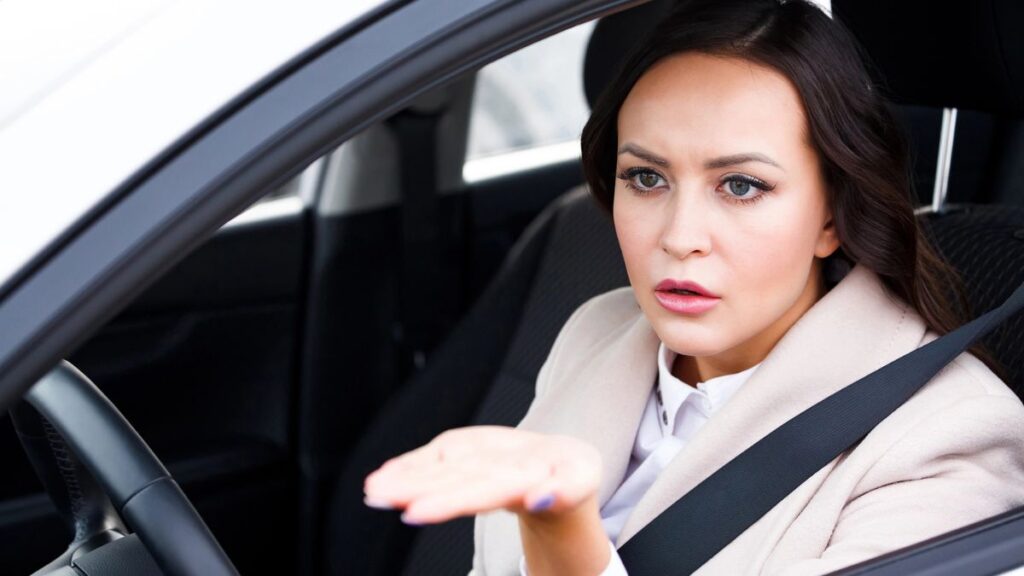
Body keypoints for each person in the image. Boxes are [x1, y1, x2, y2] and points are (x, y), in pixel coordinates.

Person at [363, 0, 1024, 574]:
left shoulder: (947, 440)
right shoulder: (594, 333)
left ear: (831, 216)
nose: (680, 236)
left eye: (741, 186)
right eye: (646, 178)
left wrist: (562, 530)